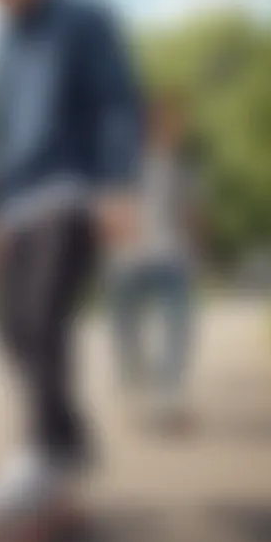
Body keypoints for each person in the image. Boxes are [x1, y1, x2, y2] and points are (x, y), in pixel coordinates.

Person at [0, 0, 141, 542]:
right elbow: (1, 131)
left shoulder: (85, 15)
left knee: (43, 320)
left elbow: (118, 101)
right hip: (17, 202)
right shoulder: (0, 41)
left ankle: (42, 454)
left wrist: (117, 186)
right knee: (8, 326)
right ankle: (69, 445)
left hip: (72, 189)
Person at [109, 91, 198, 430]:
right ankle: (137, 400)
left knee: (178, 329)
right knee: (129, 333)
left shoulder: (178, 164)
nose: (179, 127)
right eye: (173, 120)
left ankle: (167, 399)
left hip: (170, 258)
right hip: (127, 262)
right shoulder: (121, 160)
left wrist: (196, 248)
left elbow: (188, 210)